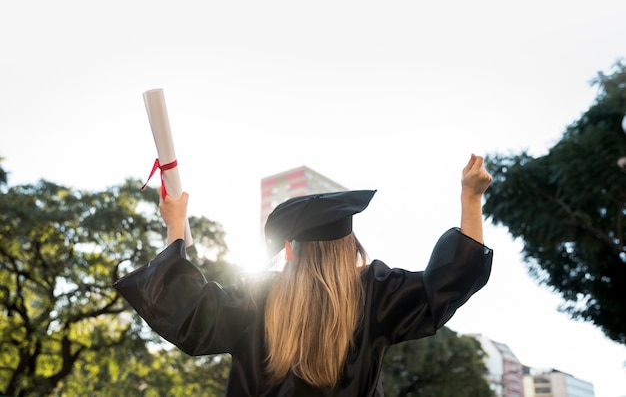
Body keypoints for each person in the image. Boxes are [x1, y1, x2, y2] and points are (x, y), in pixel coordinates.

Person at [114, 154, 493, 396]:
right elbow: (450, 280)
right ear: (351, 247)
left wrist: (176, 225)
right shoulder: (375, 293)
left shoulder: (255, 299)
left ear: (290, 250)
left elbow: (182, 304)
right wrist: (471, 198)